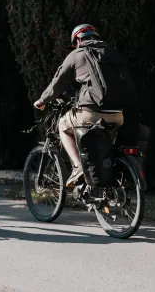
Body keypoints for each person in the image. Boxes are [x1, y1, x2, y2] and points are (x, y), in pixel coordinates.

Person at [34, 24, 131, 187]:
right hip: (118, 114)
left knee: (63, 125)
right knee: (105, 146)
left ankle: (78, 167)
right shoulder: (112, 53)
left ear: (78, 40)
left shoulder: (77, 54)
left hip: (91, 113)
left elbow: (56, 85)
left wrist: (42, 100)